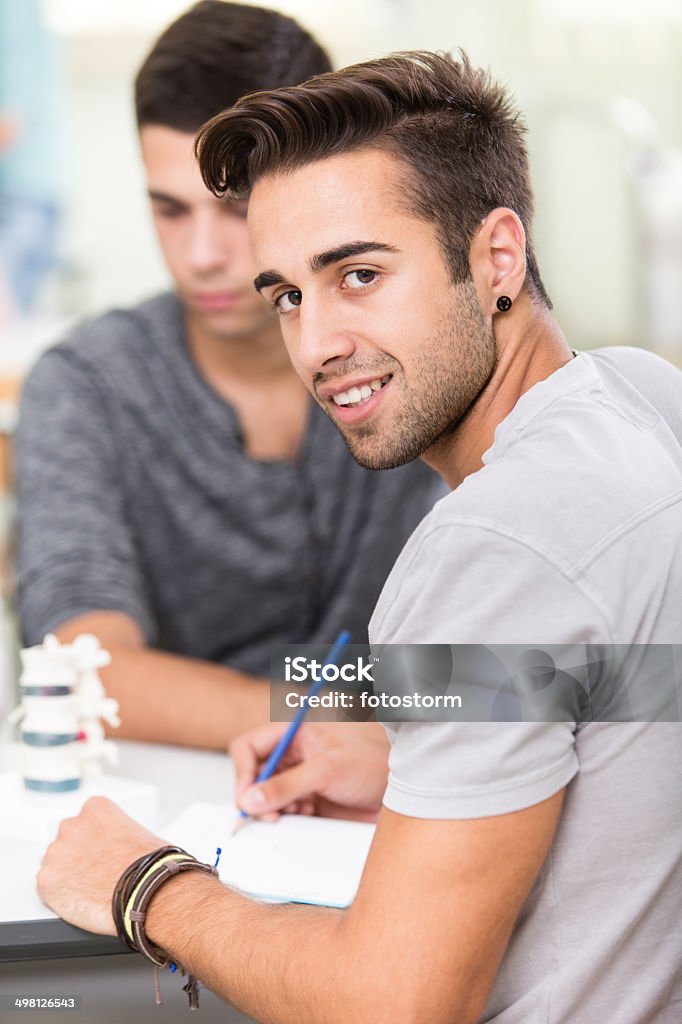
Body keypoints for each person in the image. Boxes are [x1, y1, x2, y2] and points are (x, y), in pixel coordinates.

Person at [37, 51, 682, 1022]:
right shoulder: (643, 395)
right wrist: (413, 747)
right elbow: (638, 693)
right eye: (289, 295)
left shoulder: (494, 529)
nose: (316, 342)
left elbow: (394, 1004)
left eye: (359, 274)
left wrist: (144, 882)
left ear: (496, 257)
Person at [14, 4, 439, 749]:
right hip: (182, 808)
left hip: (408, 799)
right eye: (169, 211)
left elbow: (541, 669)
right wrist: (345, 716)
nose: (202, 254)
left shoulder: (418, 363)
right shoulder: (87, 386)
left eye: (234, 207)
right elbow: (82, 670)